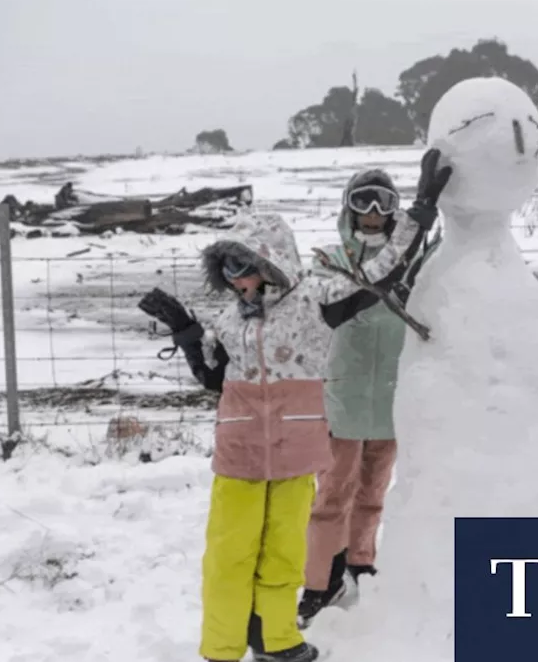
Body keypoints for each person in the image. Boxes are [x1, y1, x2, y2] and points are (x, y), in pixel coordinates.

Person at [136, 150, 451, 662]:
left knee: (283, 553)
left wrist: (421, 211)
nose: (237, 279)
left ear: (272, 262)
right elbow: (215, 381)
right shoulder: (230, 323)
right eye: (228, 270)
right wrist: (188, 334)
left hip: (294, 457)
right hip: (239, 460)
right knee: (229, 554)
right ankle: (221, 647)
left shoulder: (314, 303)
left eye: (245, 265)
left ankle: (277, 639)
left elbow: (381, 272)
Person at [296, 169, 440, 628]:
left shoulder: (419, 263)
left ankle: (362, 562)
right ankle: (320, 582)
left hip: (395, 395)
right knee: (333, 493)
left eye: (383, 203)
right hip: (345, 394)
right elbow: (329, 301)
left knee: (374, 492)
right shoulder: (330, 260)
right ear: (348, 206)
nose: (373, 213)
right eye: (364, 201)